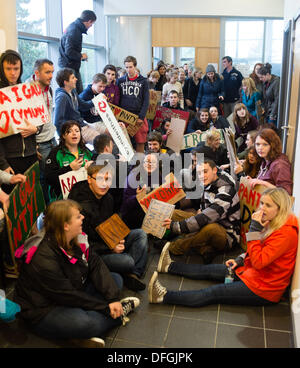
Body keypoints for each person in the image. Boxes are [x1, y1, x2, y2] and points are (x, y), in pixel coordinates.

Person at [14, 199, 140, 347]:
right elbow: (67, 295)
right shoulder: (43, 258)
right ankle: (115, 315)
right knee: (84, 323)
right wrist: (106, 308)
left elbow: (95, 264)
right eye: (78, 216)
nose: (83, 218)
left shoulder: (73, 238)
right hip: (43, 309)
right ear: (66, 225)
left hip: (73, 289)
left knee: (115, 280)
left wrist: (112, 298)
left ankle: (83, 332)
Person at [149, 188, 298, 311]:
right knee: (209, 270)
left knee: (213, 293)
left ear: (280, 209)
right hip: (253, 272)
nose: (262, 208)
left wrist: (254, 228)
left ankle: (163, 296)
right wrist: (240, 260)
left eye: (268, 205)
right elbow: (259, 249)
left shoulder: (286, 233)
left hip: (264, 288)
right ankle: (169, 266)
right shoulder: (274, 222)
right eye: (262, 203)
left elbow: (259, 261)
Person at [68, 163, 148, 291]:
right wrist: (110, 247)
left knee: (140, 235)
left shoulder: (108, 198)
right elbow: (80, 244)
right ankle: (127, 270)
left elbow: (112, 222)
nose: (104, 184)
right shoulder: (79, 206)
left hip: (107, 241)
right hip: (93, 252)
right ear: (89, 179)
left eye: (108, 179)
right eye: (100, 179)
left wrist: (118, 238)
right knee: (127, 262)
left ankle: (133, 274)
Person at [163, 159, 240, 264]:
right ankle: (205, 249)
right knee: (174, 213)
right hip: (209, 219)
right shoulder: (211, 180)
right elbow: (204, 211)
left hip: (227, 234)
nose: (202, 176)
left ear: (214, 170)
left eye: (205, 171)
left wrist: (178, 226)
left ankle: (174, 247)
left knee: (209, 228)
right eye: (199, 173)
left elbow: (207, 217)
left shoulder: (225, 190)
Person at [0, 50, 38, 181]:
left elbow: (40, 118)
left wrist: (36, 129)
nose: (12, 73)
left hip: (31, 154)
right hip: (10, 158)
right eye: (8, 68)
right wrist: (2, 163)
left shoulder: (27, 90)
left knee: (32, 196)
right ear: (2, 69)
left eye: (16, 68)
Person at [30, 59, 57, 204]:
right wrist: (32, 145)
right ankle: (47, 211)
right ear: (36, 73)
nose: (51, 75)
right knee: (44, 178)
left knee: (53, 174)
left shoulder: (48, 88)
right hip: (40, 143)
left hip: (52, 138)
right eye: (47, 72)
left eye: (52, 72)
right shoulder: (28, 92)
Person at [45, 120, 93, 200]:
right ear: (63, 135)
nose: (74, 133)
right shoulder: (55, 153)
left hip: (85, 196)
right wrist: (69, 168)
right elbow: (49, 178)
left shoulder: (86, 151)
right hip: (63, 199)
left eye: (77, 131)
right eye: (69, 131)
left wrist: (92, 164)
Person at [54, 68, 99, 144]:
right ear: (65, 82)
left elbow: (83, 105)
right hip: (74, 130)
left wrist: (96, 101)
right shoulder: (62, 97)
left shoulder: (73, 92)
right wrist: (64, 140)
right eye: (73, 78)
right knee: (100, 141)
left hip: (81, 125)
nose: (76, 79)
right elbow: (57, 122)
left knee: (104, 136)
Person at [121, 151, 163, 230]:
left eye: (153, 162)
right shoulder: (134, 176)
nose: (149, 164)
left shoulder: (159, 176)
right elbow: (126, 203)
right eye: (147, 161)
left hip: (151, 212)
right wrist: (137, 197)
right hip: (133, 215)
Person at [58, 10, 97, 94]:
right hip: (68, 66)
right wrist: (81, 56)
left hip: (69, 65)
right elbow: (69, 51)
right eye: (91, 24)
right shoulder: (74, 30)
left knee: (78, 94)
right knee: (74, 94)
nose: (91, 26)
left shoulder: (74, 28)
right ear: (89, 21)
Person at [117, 55, 150, 153]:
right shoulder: (120, 80)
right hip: (124, 115)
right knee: (123, 142)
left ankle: (139, 165)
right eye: (126, 67)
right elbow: (118, 99)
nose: (128, 69)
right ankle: (125, 165)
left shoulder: (143, 81)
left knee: (140, 142)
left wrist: (141, 116)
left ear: (135, 66)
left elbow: (146, 100)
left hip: (138, 116)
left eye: (130, 67)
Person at [249, 128, 293, 195]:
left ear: (273, 145)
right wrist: (252, 181)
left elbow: (286, 194)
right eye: (257, 144)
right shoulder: (265, 160)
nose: (260, 148)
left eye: (265, 144)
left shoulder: (279, 165)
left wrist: (263, 183)